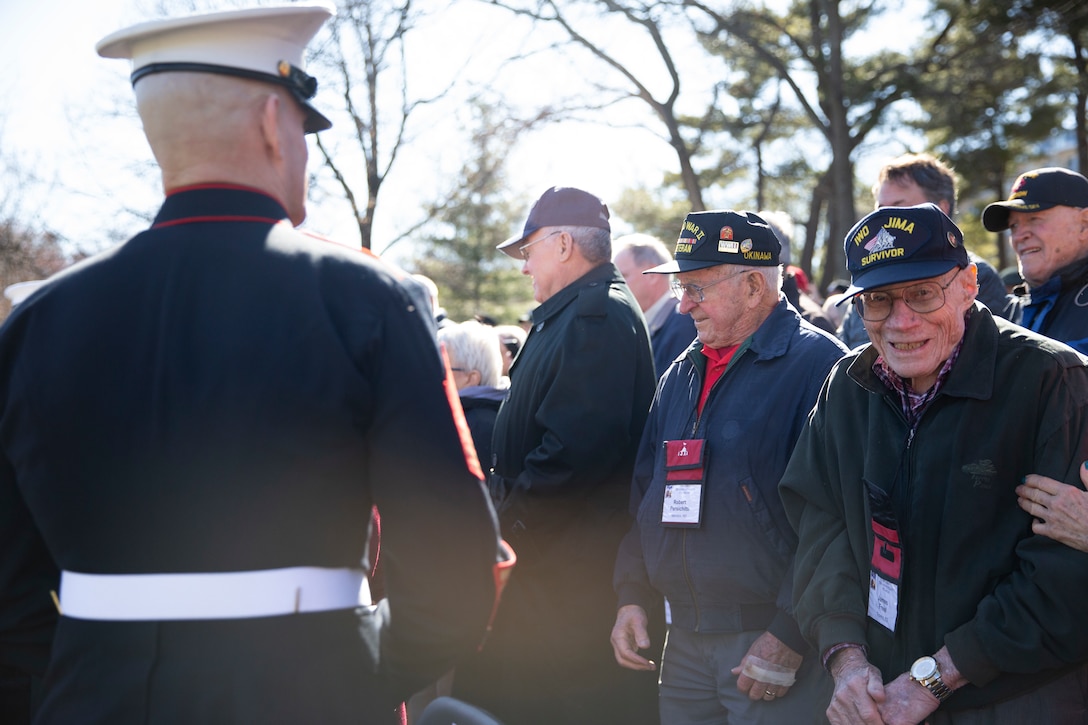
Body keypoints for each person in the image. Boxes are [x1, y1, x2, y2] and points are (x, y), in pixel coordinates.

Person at [0, 5, 506, 724]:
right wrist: (354, 668)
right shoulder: (365, 300)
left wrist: (88, 678)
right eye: (305, 125)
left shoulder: (37, 323)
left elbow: (11, 600)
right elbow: (454, 574)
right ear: (273, 123)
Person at [780, 203, 1088, 725]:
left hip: (1014, 699)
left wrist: (940, 676)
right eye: (878, 301)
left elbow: (1064, 572)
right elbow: (821, 526)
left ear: (969, 283)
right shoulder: (846, 388)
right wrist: (846, 658)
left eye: (923, 294)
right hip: (881, 698)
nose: (902, 322)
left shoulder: (1053, 379)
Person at [611, 210, 846, 723]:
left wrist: (789, 631)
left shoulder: (821, 366)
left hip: (769, 646)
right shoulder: (682, 370)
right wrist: (631, 593)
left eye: (696, 287)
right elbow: (648, 491)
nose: (681, 304)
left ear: (755, 285)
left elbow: (839, 522)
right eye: (680, 286)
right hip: (683, 642)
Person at [453, 186, 659, 724]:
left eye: (529, 251)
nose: (524, 269)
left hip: (562, 581)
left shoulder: (596, 318)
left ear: (563, 243)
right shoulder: (570, 314)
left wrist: (504, 539)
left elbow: (568, 459)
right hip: (547, 569)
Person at [838, 153, 1021, 350]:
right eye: (879, 299)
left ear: (941, 208)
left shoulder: (978, 277)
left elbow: (988, 360)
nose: (885, 220)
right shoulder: (867, 285)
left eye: (923, 293)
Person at [982, 166, 1088, 353]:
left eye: (1034, 219)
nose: (1019, 236)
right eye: (1013, 225)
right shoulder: (1010, 312)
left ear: (1084, 224)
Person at [612, 233, 698, 377]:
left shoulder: (683, 323)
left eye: (623, 276)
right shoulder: (661, 323)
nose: (616, 285)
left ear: (651, 275)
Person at [438, 320, 508, 471]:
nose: (435, 374)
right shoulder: (491, 415)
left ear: (471, 378)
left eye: (443, 368)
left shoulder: (477, 426)